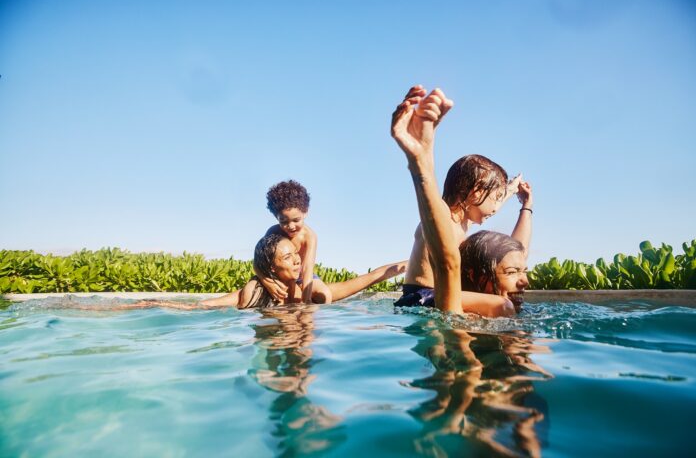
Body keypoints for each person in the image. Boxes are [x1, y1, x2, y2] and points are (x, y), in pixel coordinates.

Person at [394, 85, 533, 317]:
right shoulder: (444, 217)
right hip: (420, 296)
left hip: (435, 295)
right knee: (501, 306)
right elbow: (433, 208)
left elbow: (506, 242)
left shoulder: (463, 223)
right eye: (495, 198)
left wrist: (515, 195)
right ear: (477, 193)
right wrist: (422, 157)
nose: (497, 207)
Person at [130, 233, 406, 310]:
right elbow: (203, 306)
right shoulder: (255, 292)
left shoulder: (314, 291)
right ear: (272, 267)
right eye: (288, 257)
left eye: (296, 254)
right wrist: (154, 303)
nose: (297, 260)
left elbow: (370, 278)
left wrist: (409, 264)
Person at [258, 180, 332, 304]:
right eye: (284, 222)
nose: (291, 226)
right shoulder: (273, 231)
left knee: (325, 295)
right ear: (276, 217)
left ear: (305, 213)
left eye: (296, 220)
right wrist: (267, 282)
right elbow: (258, 263)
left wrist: (306, 301)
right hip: (279, 276)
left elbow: (307, 269)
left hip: (302, 277)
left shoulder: (310, 236)